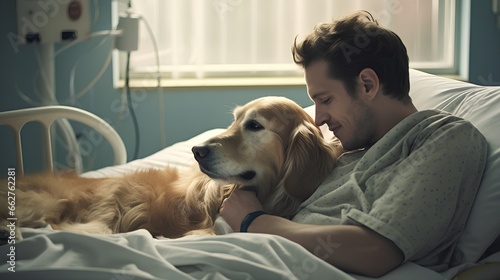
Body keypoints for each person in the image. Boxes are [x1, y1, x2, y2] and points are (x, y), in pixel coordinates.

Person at [219, 11, 487, 277]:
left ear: (367, 85)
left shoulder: (441, 137)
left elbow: (375, 251)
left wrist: (253, 221)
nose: (319, 118)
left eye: (325, 100)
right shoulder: (344, 149)